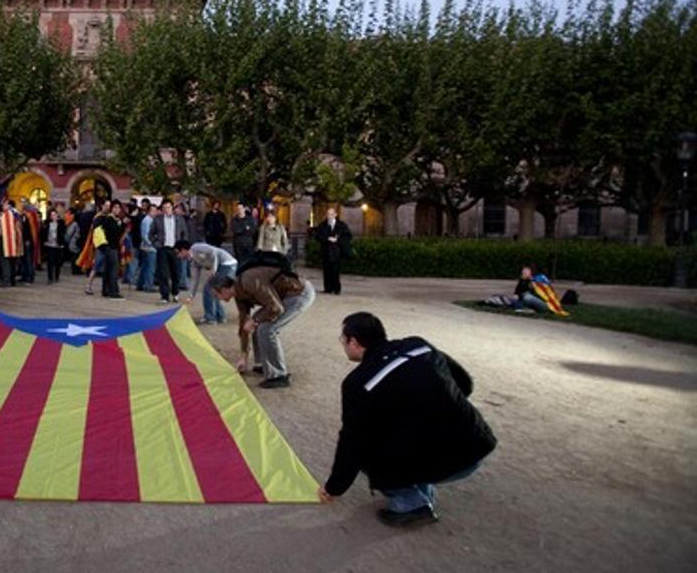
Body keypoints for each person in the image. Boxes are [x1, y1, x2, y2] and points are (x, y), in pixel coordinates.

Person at [318, 312, 497, 527]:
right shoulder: (417, 345)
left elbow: (352, 443)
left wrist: (334, 487)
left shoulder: (358, 383)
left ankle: (412, 505)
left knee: (367, 449)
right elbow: (465, 384)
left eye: (343, 339)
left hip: (454, 461)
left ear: (353, 342)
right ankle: (421, 485)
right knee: (401, 432)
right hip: (477, 441)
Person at [211, 259, 316, 386]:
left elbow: (275, 308)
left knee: (266, 329)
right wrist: (243, 357)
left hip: (299, 293)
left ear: (223, 289)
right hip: (283, 296)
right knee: (256, 324)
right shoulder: (238, 293)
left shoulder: (248, 280)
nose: (218, 299)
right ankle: (262, 364)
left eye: (216, 295)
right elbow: (243, 325)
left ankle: (279, 375)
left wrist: (255, 320)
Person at [176, 240, 237, 325]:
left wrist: (213, 271)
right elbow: (195, 279)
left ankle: (211, 318)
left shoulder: (196, 247)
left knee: (209, 289)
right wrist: (191, 295)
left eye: (178, 253)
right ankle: (220, 316)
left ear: (183, 250)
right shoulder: (194, 262)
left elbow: (213, 251)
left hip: (227, 264)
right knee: (213, 290)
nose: (178, 256)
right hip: (223, 266)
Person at [149, 199, 189, 303]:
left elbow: (184, 234)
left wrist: (182, 247)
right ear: (162, 209)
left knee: (176, 272)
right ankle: (164, 295)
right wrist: (157, 244)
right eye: (164, 208)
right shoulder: (158, 219)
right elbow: (151, 234)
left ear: (172, 208)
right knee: (163, 273)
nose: (166, 209)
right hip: (163, 249)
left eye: (168, 207)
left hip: (175, 249)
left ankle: (175, 292)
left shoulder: (179, 219)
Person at [314, 207, 352, 295]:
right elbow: (317, 237)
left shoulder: (342, 225)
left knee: (336, 271)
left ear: (335, 215)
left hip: (337, 252)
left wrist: (337, 240)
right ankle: (328, 288)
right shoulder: (322, 225)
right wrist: (327, 239)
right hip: (326, 251)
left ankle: (336, 289)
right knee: (326, 271)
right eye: (328, 214)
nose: (329, 216)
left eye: (331, 214)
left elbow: (348, 236)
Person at [41, 208, 66, 283]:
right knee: (50, 262)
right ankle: (50, 278)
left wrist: (62, 244)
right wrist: (44, 241)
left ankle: (56, 276)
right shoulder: (47, 223)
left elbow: (63, 234)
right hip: (49, 245)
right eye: (51, 215)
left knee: (57, 262)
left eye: (54, 214)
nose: (53, 216)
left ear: (57, 215)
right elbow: (43, 233)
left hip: (57, 245)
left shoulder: (61, 223)